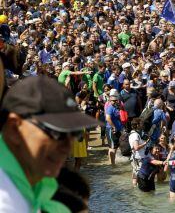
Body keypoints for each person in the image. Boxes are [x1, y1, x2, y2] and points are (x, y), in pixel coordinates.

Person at [0, 76, 100, 212]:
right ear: (15, 129)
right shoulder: (5, 201)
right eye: (58, 133)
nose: (68, 147)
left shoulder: (37, 186)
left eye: (74, 133)